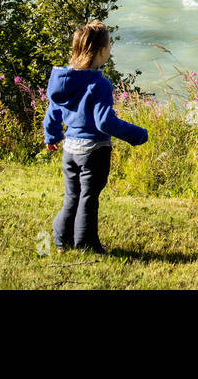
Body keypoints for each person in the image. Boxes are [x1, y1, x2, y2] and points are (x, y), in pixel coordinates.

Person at [44, 21, 148, 253]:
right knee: (88, 199)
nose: (110, 50)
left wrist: (52, 136)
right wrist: (137, 134)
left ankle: (62, 242)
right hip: (94, 151)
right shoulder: (99, 84)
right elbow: (105, 122)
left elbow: (52, 111)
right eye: (109, 46)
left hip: (70, 149)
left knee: (72, 197)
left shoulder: (64, 81)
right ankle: (87, 245)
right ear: (101, 51)